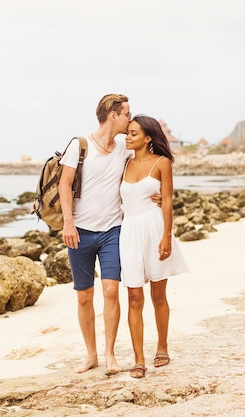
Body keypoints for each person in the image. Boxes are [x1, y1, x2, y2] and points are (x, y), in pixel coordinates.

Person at [58, 93, 133, 374]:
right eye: (126, 114)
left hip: (112, 229)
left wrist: (154, 195)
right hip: (80, 232)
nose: (129, 119)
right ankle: (91, 355)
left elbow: (143, 166)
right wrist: (68, 223)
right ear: (113, 116)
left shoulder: (125, 145)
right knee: (84, 296)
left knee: (111, 290)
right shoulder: (80, 145)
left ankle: (110, 354)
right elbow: (64, 186)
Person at [119, 114, 189, 379]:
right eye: (127, 133)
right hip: (130, 231)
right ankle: (138, 359)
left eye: (134, 133)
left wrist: (167, 236)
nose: (128, 137)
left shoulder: (162, 163)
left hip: (155, 228)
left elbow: (168, 201)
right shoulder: (123, 163)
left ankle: (162, 346)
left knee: (158, 296)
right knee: (134, 297)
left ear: (148, 138)